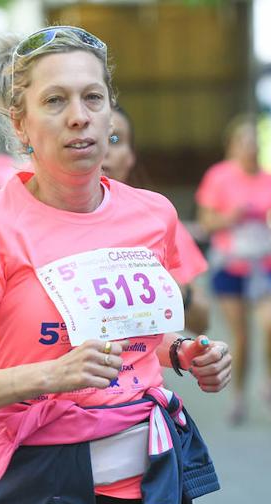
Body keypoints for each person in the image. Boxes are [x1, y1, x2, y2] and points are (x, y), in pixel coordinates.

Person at [0, 26, 232, 504]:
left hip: (146, 483)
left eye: (92, 97)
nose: (78, 115)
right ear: (21, 124)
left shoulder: (152, 215)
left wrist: (182, 351)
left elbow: (133, 338)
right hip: (31, 482)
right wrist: (51, 376)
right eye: (55, 101)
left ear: (110, 113)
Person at [196, 114, 271, 425]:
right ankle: (238, 398)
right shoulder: (218, 178)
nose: (251, 148)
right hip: (230, 266)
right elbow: (207, 223)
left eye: (255, 142)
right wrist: (230, 218)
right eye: (244, 142)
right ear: (232, 147)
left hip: (264, 265)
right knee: (243, 338)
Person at [103, 106, 210, 334]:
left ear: (131, 157)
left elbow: (201, 320)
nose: (103, 149)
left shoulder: (157, 219)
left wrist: (167, 285)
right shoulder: (27, 220)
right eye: (93, 138)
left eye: (114, 139)